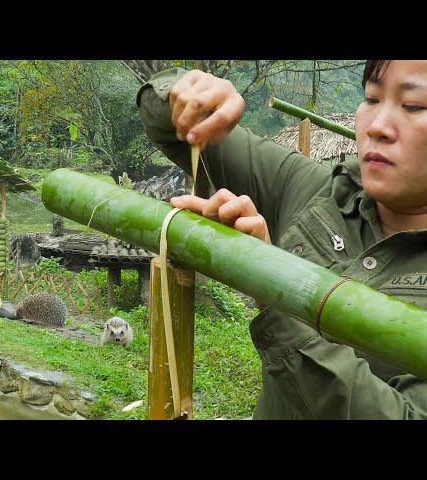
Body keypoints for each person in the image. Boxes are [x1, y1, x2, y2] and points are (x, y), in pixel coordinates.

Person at [137, 60, 427, 419]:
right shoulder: (315, 192)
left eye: (414, 105)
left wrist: (273, 280)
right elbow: (165, 121)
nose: (378, 127)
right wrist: (194, 93)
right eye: (371, 98)